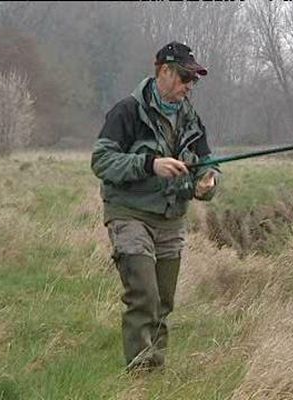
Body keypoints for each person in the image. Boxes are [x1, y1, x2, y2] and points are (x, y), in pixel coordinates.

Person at [90, 41, 220, 372]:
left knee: (163, 303)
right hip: (129, 214)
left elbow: (208, 163)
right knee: (144, 297)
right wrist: (151, 165)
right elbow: (102, 161)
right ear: (163, 71)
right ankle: (137, 375)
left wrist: (208, 181)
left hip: (171, 219)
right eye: (184, 77)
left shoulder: (192, 117)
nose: (189, 86)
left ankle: (154, 374)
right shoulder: (127, 111)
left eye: (194, 81)